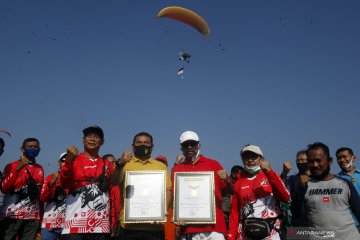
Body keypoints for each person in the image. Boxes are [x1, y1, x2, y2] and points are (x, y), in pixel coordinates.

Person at [171, 130, 233, 240]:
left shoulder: (214, 164)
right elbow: (174, 197)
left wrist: (227, 179)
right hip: (188, 229)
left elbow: (231, 192)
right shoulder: (177, 169)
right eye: (186, 145)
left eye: (193, 144)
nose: (190, 147)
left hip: (214, 228)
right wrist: (177, 217)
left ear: (199, 146)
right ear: (181, 148)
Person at [112, 132, 172, 240]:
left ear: (152, 146)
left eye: (146, 143)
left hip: (155, 227)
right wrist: (120, 163)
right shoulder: (124, 164)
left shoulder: (161, 166)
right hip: (128, 227)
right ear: (133, 146)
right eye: (139, 143)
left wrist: (163, 210)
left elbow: (167, 191)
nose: (142, 145)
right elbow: (113, 182)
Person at [60, 125, 113, 240]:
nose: (92, 139)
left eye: (96, 137)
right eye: (89, 136)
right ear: (83, 140)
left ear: (102, 142)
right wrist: (69, 160)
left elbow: (115, 192)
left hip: (100, 226)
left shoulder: (107, 165)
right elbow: (64, 183)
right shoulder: (73, 160)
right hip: (74, 224)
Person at [228, 144, 290, 240]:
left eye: (254, 156)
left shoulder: (270, 175)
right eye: (246, 157)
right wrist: (231, 237)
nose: (250, 160)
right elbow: (234, 213)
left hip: (271, 233)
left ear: (261, 159)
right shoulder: (238, 183)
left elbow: (286, 197)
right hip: (246, 234)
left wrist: (270, 172)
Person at [304, 142, 360, 239]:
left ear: (329, 161)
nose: (315, 165)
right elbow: (297, 219)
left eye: (318, 160)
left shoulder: (345, 183)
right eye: (311, 161)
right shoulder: (304, 186)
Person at [0, 138, 44, 240]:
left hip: (32, 218)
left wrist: (40, 218)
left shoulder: (40, 168)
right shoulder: (11, 165)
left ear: (39, 149)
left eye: (35, 146)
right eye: (30, 146)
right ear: (22, 149)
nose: (33, 148)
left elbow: (39, 196)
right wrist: (18, 168)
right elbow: (4, 188)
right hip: (12, 216)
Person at [40, 152, 68, 240]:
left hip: (69, 224)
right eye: (63, 161)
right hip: (50, 223)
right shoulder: (50, 177)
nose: (66, 163)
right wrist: (51, 182)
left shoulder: (78, 179)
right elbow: (42, 198)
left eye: (70, 161)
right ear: (58, 163)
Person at [281, 150, 310, 227]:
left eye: (303, 160)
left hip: (315, 223)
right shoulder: (292, 179)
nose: (300, 162)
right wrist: (284, 173)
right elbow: (281, 188)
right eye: (298, 160)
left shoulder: (317, 179)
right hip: (295, 222)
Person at [336, 147, 360, 228]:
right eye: (339, 158)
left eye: (344, 156)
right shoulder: (336, 179)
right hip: (347, 225)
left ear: (353, 158)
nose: (342, 160)